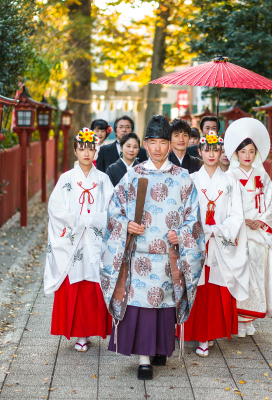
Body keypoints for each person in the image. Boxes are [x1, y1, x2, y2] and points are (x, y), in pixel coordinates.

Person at [100, 115, 205, 380]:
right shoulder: (133, 175)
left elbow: (194, 218)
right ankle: (143, 359)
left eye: (163, 143)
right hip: (140, 255)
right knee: (141, 306)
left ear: (170, 146)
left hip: (169, 255)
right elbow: (114, 210)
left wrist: (182, 234)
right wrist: (125, 225)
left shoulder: (183, 178)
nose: (157, 148)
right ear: (145, 144)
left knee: (165, 304)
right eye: (153, 142)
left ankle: (160, 349)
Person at [177, 131, 249, 357]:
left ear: (221, 152)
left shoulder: (230, 182)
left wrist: (216, 230)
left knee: (215, 288)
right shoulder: (190, 180)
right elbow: (182, 213)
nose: (211, 153)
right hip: (196, 242)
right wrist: (199, 231)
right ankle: (191, 332)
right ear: (199, 151)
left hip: (219, 241)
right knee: (196, 287)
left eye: (215, 149)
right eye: (206, 149)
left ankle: (206, 336)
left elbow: (237, 215)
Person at [44, 128, 114, 352]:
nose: (86, 152)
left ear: (96, 151)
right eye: (82, 148)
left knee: (92, 284)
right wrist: (78, 220)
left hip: (94, 241)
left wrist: (91, 220)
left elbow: (112, 211)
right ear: (75, 150)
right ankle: (80, 334)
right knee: (75, 283)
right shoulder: (66, 179)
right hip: (73, 242)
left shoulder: (103, 179)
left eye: (91, 148)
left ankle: (90, 330)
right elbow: (55, 209)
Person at [225, 118, 272, 337]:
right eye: (243, 152)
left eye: (251, 151)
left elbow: (271, 202)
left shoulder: (263, 176)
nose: (247, 156)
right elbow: (226, 205)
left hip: (258, 232)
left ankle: (249, 321)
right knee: (238, 274)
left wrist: (261, 219)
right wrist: (243, 220)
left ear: (256, 154)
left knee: (257, 274)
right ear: (235, 154)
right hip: (239, 232)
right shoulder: (229, 176)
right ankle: (237, 320)